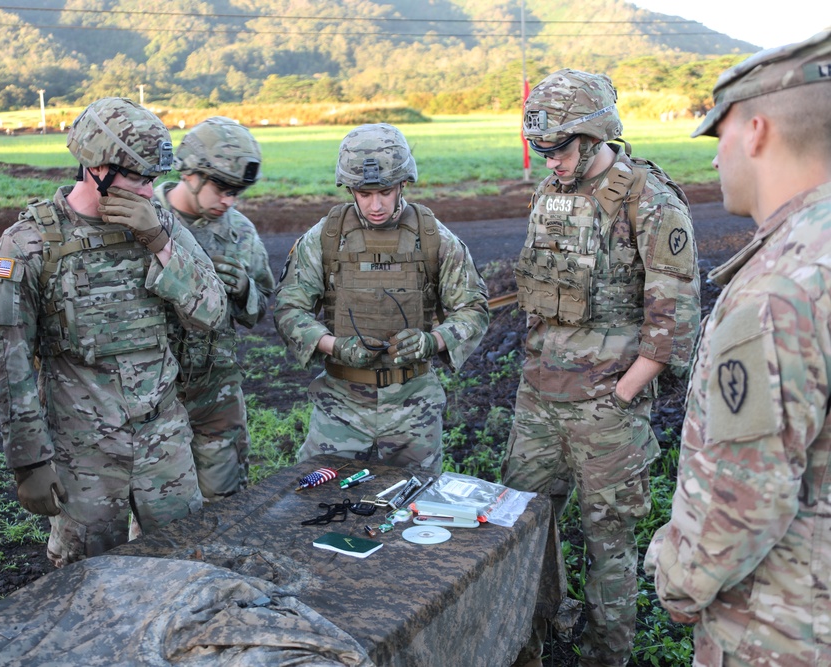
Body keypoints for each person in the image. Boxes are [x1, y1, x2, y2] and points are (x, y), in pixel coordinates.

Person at [502, 69, 701, 666]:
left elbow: (674, 317)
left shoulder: (649, 199)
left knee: (607, 546)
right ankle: (527, 643)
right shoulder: (551, 193)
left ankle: (603, 658)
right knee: (519, 534)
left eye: (560, 149)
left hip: (605, 412)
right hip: (539, 400)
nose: (551, 162)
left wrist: (622, 394)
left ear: (594, 136)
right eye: (543, 150)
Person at [645, 30, 831, 666]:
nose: (715, 160)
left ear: (755, 131)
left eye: (716, 137)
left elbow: (740, 503)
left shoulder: (779, 291)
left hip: (784, 632)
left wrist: (676, 582)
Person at [0, 97, 227, 568]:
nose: (148, 191)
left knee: (186, 568)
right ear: (96, 166)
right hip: (83, 454)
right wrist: (28, 460)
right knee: (87, 585)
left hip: (163, 441)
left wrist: (158, 241)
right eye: (138, 177)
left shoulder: (161, 225)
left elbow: (212, 313)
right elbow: (6, 362)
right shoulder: (28, 245)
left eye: (154, 179)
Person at [273, 123, 488, 473]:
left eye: (385, 192)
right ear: (350, 189)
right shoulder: (326, 237)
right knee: (313, 500)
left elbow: (473, 309)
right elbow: (289, 308)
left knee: (413, 511)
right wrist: (333, 346)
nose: (375, 205)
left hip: (413, 409)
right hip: (340, 408)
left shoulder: (433, 237)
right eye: (363, 193)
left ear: (403, 183)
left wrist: (431, 341)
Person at [154, 117, 274, 499]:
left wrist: (243, 291)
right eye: (222, 188)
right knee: (159, 521)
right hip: (155, 394)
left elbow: (261, 306)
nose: (229, 201)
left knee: (224, 507)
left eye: (238, 192)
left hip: (217, 394)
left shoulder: (239, 231)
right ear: (190, 173)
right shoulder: (144, 223)